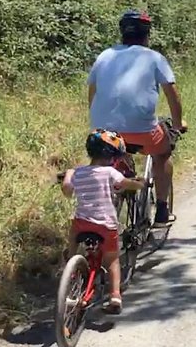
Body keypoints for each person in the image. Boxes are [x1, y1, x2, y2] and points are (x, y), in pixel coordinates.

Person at [87, 9, 187, 226]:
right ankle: (161, 209)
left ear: (122, 32)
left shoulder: (104, 56)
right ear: (146, 34)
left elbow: (92, 94)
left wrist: (97, 123)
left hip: (103, 131)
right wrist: (178, 124)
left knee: (110, 155)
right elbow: (173, 96)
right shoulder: (154, 58)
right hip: (143, 131)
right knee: (163, 153)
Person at [61, 129, 146, 314]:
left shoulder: (78, 172)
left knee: (74, 229)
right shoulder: (110, 172)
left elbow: (67, 191)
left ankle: (71, 257)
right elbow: (124, 183)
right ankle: (115, 295)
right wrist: (139, 183)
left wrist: (68, 174)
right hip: (106, 224)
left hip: (83, 222)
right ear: (113, 156)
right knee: (112, 259)